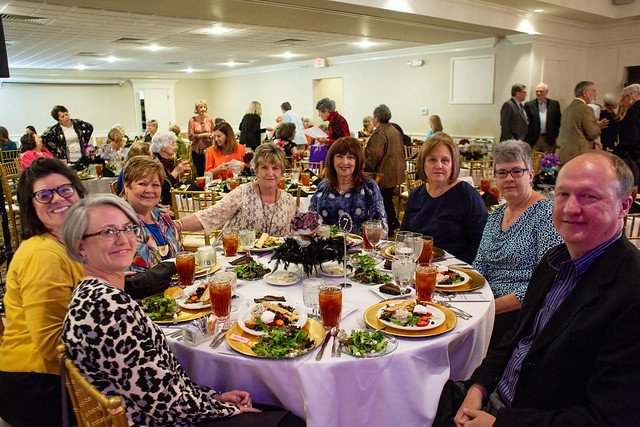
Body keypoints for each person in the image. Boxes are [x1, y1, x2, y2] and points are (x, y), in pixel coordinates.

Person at [61, 194, 304, 427]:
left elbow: (161, 385)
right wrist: (224, 408)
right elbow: (164, 403)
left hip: (164, 410)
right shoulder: (107, 307)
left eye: (127, 228)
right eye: (107, 232)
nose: (123, 239)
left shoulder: (90, 294)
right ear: (80, 245)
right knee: (294, 419)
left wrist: (213, 397)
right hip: (159, 421)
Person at [439, 151, 640, 427]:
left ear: (624, 205)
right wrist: (478, 388)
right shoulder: (555, 260)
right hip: (491, 400)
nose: (570, 208)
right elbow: (517, 337)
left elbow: (607, 418)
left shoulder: (631, 292)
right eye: (563, 194)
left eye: (589, 196)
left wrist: (499, 423)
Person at [0, 158, 86, 427]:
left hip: (58, 373)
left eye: (65, 189)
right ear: (30, 206)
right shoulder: (43, 255)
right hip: (38, 383)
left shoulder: (68, 242)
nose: (58, 199)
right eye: (44, 195)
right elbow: (52, 345)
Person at [473, 140, 563, 348]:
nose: (509, 179)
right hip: (485, 302)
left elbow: (545, 283)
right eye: (502, 173)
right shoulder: (496, 216)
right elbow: (479, 263)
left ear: (531, 175)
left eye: (516, 171)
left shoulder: (546, 214)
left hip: (521, 314)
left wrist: (489, 308)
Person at [401, 133, 487, 264]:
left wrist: (455, 268)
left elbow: (481, 243)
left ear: (453, 164)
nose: (439, 165)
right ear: (423, 163)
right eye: (432, 160)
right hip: (418, 268)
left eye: (445, 160)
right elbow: (404, 236)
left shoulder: (467, 195)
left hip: (456, 271)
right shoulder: (416, 195)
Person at [178, 144, 295, 237]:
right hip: (235, 258)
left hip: (273, 261)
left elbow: (292, 234)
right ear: (256, 170)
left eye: (275, 168)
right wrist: (177, 225)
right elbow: (210, 216)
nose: (270, 173)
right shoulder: (242, 193)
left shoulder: (288, 201)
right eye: (264, 167)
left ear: (282, 171)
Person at [311, 136, 387, 235]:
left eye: (350, 157)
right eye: (339, 156)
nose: (345, 162)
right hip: (326, 247)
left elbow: (381, 227)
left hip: (361, 248)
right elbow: (311, 221)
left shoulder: (369, 187)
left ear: (358, 161)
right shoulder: (323, 186)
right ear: (332, 159)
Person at [123, 156, 181, 271]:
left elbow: (180, 256)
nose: (149, 190)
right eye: (142, 184)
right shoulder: (120, 224)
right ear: (126, 186)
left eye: (155, 185)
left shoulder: (164, 218)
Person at [364, 104, 405, 232]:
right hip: (396, 170)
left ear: (376, 118)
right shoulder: (394, 129)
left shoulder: (380, 132)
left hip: (384, 172)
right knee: (387, 198)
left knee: (383, 199)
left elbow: (376, 153)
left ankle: (390, 226)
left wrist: (367, 167)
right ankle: (394, 221)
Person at [557, 80, 609, 164]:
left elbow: (575, 132)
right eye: (593, 91)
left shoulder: (567, 109)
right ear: (585, 93)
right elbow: (592, 134)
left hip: (565, 155)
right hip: (579, 156)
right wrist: (598, 127)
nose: (595, 94)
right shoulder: (586, 109)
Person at [151, 130, 192, 204]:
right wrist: (175, 172)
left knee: (193, 185)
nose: (175, 147)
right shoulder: (155, 164)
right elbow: (161, 189)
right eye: (172, 144)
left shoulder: (169, 161)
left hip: (175, 197)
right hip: (166, 202)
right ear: (163, 147)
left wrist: (181, 173)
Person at [524, 82, 562, 153]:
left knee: (548, 162)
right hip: (534, 140)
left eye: (541, 91)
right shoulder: (529, 105)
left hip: (548, 139)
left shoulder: (554, 104)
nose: (538, 93)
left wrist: (554, 135)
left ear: (546, 92)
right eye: (537, 91)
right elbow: (526, 123)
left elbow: (558, 121)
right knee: (533, 162)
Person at [614, 84, 640, 185]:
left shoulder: (634, 110)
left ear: (630, 97)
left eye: (622, 99)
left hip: (634, 160)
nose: (621, 103)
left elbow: (631, 139)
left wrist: (617, 154)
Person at [188, 99, 215, 176]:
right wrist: (202, 135)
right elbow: (190, 136)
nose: (203, 109)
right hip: (197, 150)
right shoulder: (192, 120)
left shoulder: (210, 119)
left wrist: (211, 135)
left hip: (208, 149)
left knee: (209, 171)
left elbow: (214, 132)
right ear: (197, 109)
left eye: (204, 107)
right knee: (200, 172)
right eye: (200, 107)